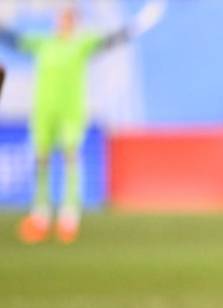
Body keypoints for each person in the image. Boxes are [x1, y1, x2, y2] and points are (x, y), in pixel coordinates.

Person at [0, 1, 164, 244]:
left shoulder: (81, 44)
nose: (64, 23)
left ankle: (69, 217)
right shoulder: (44, 43)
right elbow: (13, 40)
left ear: (75, 22)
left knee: (71, 159)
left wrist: (143, 21)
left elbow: (113, 39)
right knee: (41, 160)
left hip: (70, 111)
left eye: (69, 19)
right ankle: (40, 216)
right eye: (61, 19)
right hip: (44, 111)